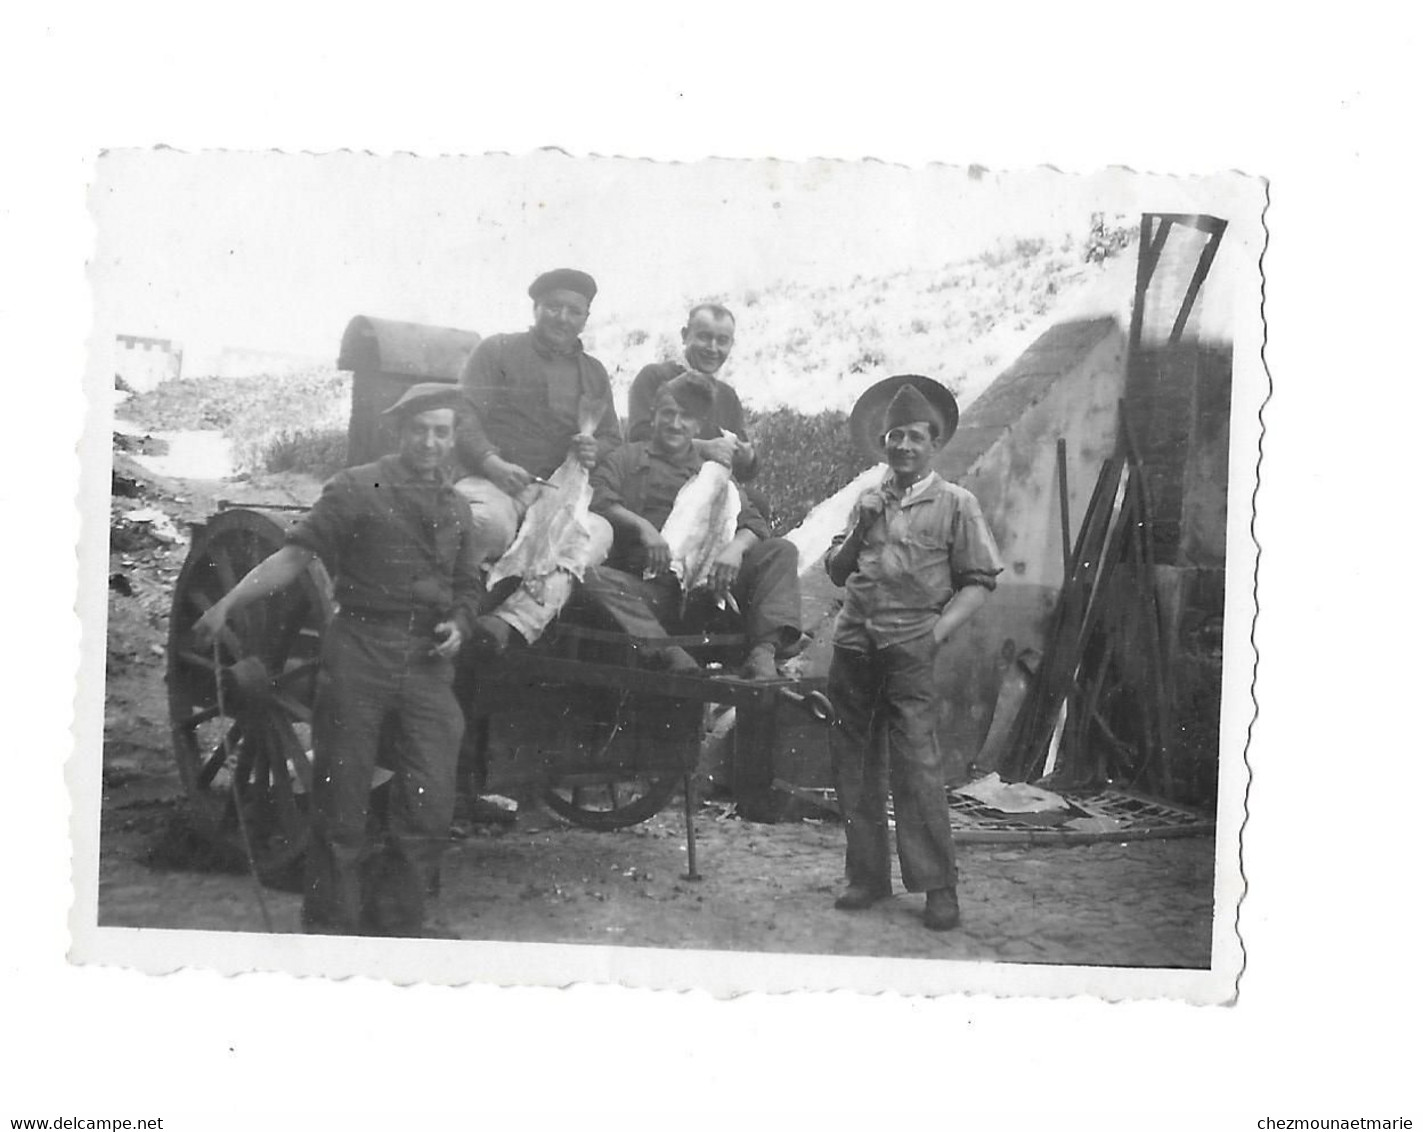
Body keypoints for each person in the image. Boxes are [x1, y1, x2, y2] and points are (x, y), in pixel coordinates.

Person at [193, 383, 483, 938]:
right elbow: (296, 555)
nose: (429, 442)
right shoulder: (359, 485)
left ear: (453, 438)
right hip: (360, 654)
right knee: (341, 808)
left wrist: (461, 623)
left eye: (441, 432)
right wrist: (230, 602)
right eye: (419, 430)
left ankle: (397, 928)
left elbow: (469, 584)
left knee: (428, 807)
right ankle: (331, 935)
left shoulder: (458, 507)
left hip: (425, 665)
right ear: (400, 432)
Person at [823, 375, 1003, 932]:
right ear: (884, 442)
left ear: (935, 443)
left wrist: (936, 633)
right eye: (894, 436)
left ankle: (937, 888)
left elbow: (978, 581)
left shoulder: (956, 504)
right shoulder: (866, 499)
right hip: (854, 643)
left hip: (910, 649)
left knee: (918, 767)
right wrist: (863, 527)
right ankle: (867, 877)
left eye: (915, 438)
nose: (903, 446)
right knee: (854, 765)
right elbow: (836, 570)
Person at [582, 373, 801, 683]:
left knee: (780, 551)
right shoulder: (627, 458)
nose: (675, 424)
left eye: (685, 416)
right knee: (590, 575)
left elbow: (752, 522)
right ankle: (666, 654)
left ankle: (763, 654)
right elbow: (599, 495)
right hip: (653, 589)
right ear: (653, 416)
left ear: (698, 426)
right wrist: (643, 527)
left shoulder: (711, 472)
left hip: (708, 591)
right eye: (667, 413)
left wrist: (735, 552)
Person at [454, 267, 621, 655]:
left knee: (596, 535)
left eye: (574, 311)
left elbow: (613, 437)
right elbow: (463, 414)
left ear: (585, 318)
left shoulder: (594, 373)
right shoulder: (497, 350)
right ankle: (453, 608)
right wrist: (491, 462)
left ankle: (510, 621)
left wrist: (597, 450)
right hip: (491, 481)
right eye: (553, 307)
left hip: (559, 495)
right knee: (490, 526)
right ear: (536, 308)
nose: (563, 318)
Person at [626, 303, 758, 483]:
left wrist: (748, 458)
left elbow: (741, 470)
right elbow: (638, 440)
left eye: (722, 341)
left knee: (758, 504)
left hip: (710, 488)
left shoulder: (727, 396)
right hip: (657, 485)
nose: (712, 348)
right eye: (704, 337)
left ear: (731, 344)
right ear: (685, 335)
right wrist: (701, 448)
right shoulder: (654, 377)